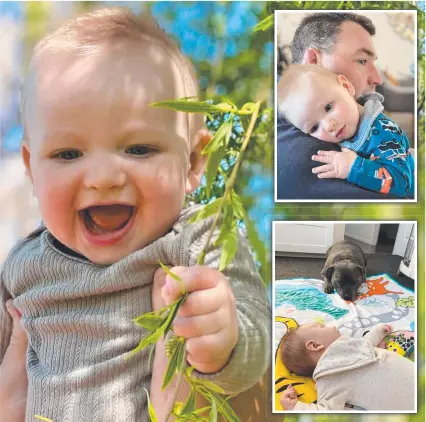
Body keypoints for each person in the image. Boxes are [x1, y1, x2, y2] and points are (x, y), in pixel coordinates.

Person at [0, 8, 270, 421]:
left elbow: (257, 337)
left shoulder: (197, 242)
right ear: (32, 169)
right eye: (68, 154)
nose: (104, 177)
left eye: (139, 149)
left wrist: (225, 336)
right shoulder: (24, 264)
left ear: (194, 162)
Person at [276, 12, 402, 200]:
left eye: (328, 108)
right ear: (313, 61)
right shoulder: (308, 157)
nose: (376, 79)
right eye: (361, 61)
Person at [277, 64, 414, 198]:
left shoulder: (383, 133)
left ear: (346, 87)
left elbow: (403, 183)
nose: (328, 126)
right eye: (314, 127)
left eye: (328, 107)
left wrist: (354, 167)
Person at [279, 323, 415, 411]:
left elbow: (364, 344)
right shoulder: (329, 380)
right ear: (314, 345)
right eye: (321, 326)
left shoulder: (349, 347)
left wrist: (378, 331)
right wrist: (294, 407)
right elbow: (325, 412)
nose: (331, 325)